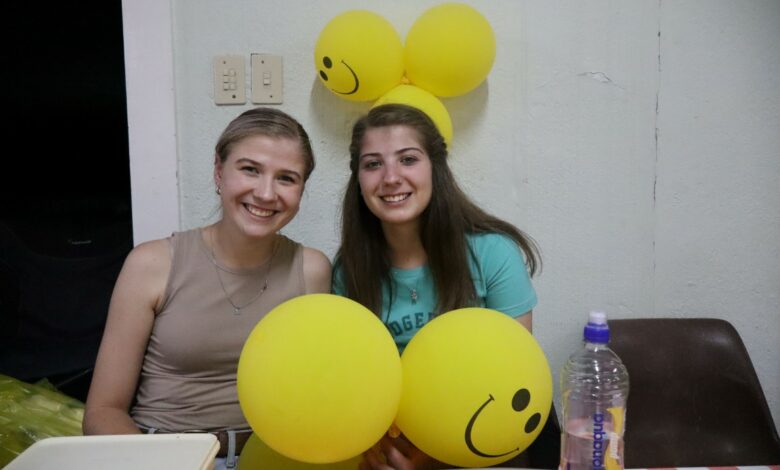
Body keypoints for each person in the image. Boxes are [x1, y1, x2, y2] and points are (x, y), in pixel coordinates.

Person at [83, 107, 332, 469]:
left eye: (286, 178)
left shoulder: (311, 269)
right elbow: (102, 411)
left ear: (301, 190)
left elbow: (316, 393)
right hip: (163, 457)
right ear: (219, 172)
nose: (265, 193)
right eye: (250, 169)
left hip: (271, 457)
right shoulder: (151, 264)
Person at [332, 104, 557, 469]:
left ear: (435, 167)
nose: (390, 177)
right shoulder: (349, 271)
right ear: (358, 178)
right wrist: (372, 444)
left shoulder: (493, 252)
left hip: (483, 436)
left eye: (408, 159)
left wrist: (437, 451)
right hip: (393, 445)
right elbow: (355, 384)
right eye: (373, 164)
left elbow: (512, 375)